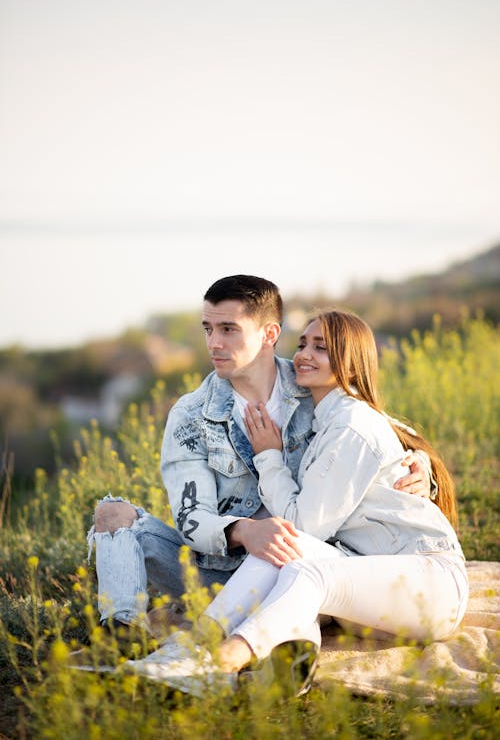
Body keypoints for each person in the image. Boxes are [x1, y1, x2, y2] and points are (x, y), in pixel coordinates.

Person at [124, 309, 467, 696]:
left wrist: (268, 456)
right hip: (370, 578)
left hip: (428, 579)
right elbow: (401, 436)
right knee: (280, 543)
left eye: (321, 348)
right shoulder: (328, 417)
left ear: (351, 363)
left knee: (304, 564)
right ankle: (189, 649)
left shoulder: (352, 424)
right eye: (303, 343)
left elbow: (310, 526)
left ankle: (220, 662)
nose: (304, 354)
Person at [88, 277, 432, 637]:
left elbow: (376, 430)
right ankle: (121, 634)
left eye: (228, 329)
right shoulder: (191, 415)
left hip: (309, 567)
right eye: (208, 329)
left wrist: (420, 467)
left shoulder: (314, 383)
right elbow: (192, 519)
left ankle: (274, 649)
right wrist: (243, 531)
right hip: (219, 574)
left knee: (294, 580)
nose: (213, 343)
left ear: (269, 334)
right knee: (112, 514)